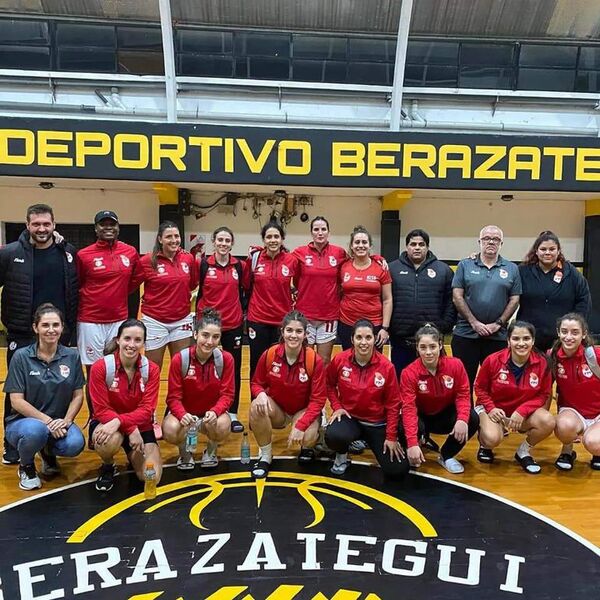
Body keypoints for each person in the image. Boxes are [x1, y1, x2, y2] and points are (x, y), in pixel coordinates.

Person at [0, 203, 78, 464]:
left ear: (54, 225)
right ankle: (12, 446)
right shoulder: (10, 253)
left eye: (46, 224)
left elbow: (74, 290)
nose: (42, 229)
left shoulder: (66, 253)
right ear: (27, 225)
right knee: (16, 393)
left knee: (56, 391)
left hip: (57, 333)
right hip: (22, 333)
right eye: (36, 224)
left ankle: (50, 443)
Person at [3, 304, 85, 490]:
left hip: (58, 423)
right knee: (35, 431)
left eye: (55, 325)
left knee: (75, 443)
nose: (51, 330)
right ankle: (26, 466)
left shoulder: (72, 356)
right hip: (23, 424)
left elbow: (78, 395)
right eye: (45, 325)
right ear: (35, 328)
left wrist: (67, 420)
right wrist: (47, 421)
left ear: (62, 328)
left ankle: (47, 452)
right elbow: (16, 401)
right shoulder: (21, 357)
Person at [325, 319, 409, 479]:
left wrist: (391, 437)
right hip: (350, 418)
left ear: (374, 339)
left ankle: (371, 442)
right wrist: (337, 407)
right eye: (359, 337)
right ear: (352, 340)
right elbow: (329, 384)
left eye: (368, 337)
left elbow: (393, 404)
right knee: (334, 435)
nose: (363, 342)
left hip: (377, 423)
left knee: (398, 470)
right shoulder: (340, 360)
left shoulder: (387, 367)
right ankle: (342, 455)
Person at [249, 310, 326, 478]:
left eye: (299, 331)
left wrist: (300, 425)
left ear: (306, 334)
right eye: (289, 330)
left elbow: (318, 400)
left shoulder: (314, 360)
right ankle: (266, 455)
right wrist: (260, 393)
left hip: (302, 410)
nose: (294, 335)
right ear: (282, 332)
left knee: (308, 436)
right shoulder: (270, 354)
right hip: (279, 410)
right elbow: (256, 383)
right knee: (256, 407)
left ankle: (310, 445)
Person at [88, 318, 162, 492]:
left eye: (138, 340)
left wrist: (122, 423)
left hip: (139, 427)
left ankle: (132, 454)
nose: (132, 344)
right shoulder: (101, 367)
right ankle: (108, 465)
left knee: (151, 477)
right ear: (118, 340)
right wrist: (129, 428)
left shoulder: (151, 369)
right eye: (127, 338)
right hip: (108, 424)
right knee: (108, 441)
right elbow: (100, 410)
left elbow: (147, 410)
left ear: (144, 343)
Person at [474, 320, 555, 474]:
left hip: (520, 414)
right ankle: (485, 445)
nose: (521, 343)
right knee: (492, 438)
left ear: (533, 341)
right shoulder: (492, 360)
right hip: (494, 410)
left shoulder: (543, 363)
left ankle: (523, 451)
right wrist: (491, 408)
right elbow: (479, 388)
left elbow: (543, 394)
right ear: (508, 341)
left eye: (526, 338)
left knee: (548, 421)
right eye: (516, 339)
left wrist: (522, 411)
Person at [400, 323, 478, 474]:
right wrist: (411, 443)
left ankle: (446, 455)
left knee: (472, 418)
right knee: (401, 425)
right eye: (423, 347)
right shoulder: (408, 373)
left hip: (444, 415)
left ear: (440, 345)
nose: (428, 352)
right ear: (417, 348)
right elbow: (408, 408)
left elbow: (463, 394)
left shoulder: (455, 365)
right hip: (421, 417)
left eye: (432, 347)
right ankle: (418, 444)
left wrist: (462, 419)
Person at [452, 225, 521, 393]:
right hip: (466, 334)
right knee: (463, 384)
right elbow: (457, 296)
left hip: (497, 336)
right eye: (487, 238)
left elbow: (515, 298)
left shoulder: (511, 268)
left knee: (497, 384)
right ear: (479, 242)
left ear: (501, 243)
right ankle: (466, 418)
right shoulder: (465, 265)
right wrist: (474, 322)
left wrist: (498, 323)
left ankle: (492, 418)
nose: (491, 242)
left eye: (496, 239)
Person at [163, 308, 233, 470]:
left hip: (210, 415)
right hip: (187, 415)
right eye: (205, 335)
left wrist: (215, 411)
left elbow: (227, 395)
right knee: (170, 428)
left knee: (223, 425)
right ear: (195, 335)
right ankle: (184, 454)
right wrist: (182, 415)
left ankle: (211, 451)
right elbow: (173, 397)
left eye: (215, 337)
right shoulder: (180, 359)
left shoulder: (225, 359)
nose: (209, 341)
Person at [196, 227, 246, 432]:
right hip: (208, 327)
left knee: (232, 369)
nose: (224, 244)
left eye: (227, 240)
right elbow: (196, 289)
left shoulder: (239, 266)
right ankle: (203, 410)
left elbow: (245, 291)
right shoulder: (204, 265)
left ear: (232, 244)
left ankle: (232, 413)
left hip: (232, 324)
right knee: (204, 369)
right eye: (220, 240)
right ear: (214, 242)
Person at [76, 210, 140, 370]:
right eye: (103, 224)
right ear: (96, 228)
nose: (108, 228)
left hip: (118, 320)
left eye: (112, 224)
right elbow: (78, 283)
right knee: (94, 370)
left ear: (118, 227)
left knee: (117, 369)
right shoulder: (84, 255)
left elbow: (134, 281)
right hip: (90, 321)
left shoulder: (130, 252)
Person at [389, 229, 456, 376]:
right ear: (407, 247)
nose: (417, 247)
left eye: (421, 244)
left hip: (431, 343)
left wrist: (444, 326)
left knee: (433, 384)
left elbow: (452, 301)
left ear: (427, 247)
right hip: (401, 341)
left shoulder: (443, 270)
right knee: (402, 381)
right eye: (413, 244)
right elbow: (386, 299)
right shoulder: (392, 269)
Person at [133, 221, 197, 370]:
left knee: (182, 369)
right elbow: (131, 286)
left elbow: (192, 284)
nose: (174, 240)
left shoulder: (188, 259)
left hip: (182, 321)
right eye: (169, 236)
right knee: (152, 370)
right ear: (160, 239)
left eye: (176, 236)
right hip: (155, 321)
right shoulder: (147, 261)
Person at [518, 231, 591, 351]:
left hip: (561, 340)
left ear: (558, 251)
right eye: (543, 249)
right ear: (536, 251)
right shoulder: (522, 271)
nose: (547, 252)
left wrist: (574, 330)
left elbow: (584, 301)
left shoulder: (572, 274)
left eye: (552, 249)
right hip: (529, 339)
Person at [244, 221, 299, 377]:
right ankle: (257, 400)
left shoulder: (291, 261)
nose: (273, 240)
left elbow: (298, 285)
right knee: (257, 364)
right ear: (264, 240)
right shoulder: (254, 259)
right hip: (257, 320)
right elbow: (246, 285)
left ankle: (276, 400)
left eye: (276, 236)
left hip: (281, 322)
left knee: (279, 365)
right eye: (269, 237)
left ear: (282, 239)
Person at [293, 216, 347, 365]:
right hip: (306, 316)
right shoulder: (300, 252)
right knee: (305, 361)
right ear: (311, 233)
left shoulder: (339, 253)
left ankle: (322, 389)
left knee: (324, 362)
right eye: (316, 229)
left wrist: (376, 258)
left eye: (323, 229)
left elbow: (357, 260)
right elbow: (295, 278)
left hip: (328, 316)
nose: (320, 233)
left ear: (328, 232)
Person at [550, 313, 600, 471]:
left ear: (584, 334)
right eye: (564, 331)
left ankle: (598, 453)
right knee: (562, 426)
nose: (569, 337)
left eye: (575, 332)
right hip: (572, 412)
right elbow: (544, 390)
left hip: (598, 412)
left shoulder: (595, 355)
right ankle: (567, 451)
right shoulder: (552, 356)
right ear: (558, 332)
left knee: (593, 442)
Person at [338, 226, 392, 351]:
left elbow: (387, 299)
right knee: (349, 361)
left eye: (364, 242)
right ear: (351, 246)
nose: (360, 245)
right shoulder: (343, 266)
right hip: (347, 323)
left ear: (370, 246)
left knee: (373, 363)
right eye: (357, 242)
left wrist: (385, 328)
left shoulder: (381, 267)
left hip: (374, 324)